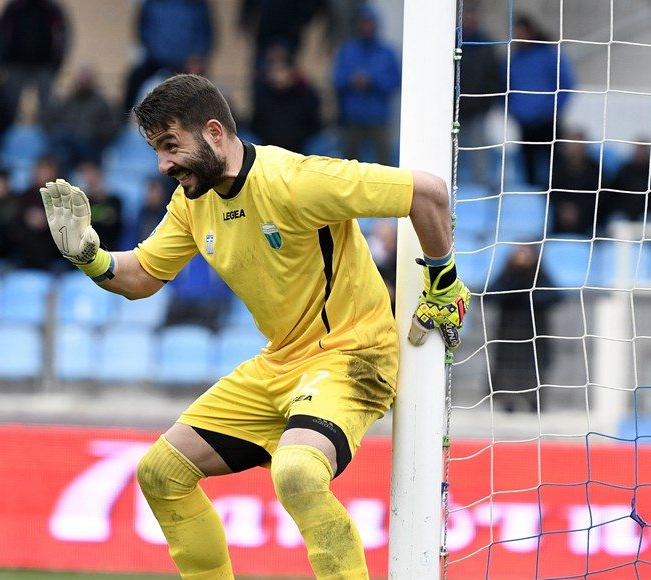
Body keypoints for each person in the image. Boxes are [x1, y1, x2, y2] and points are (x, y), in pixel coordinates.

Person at [39, 74, 470, 578]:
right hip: (281, 361)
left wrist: (444, 283)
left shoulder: (296, 180)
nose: (163, 165)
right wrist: (89, 256)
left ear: (214, 132)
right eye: (157, 151)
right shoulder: (192, 203)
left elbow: (428, 193)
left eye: (171, 145)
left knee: (297, 472)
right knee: (161, 473)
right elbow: (142, 276)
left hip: (353, 354)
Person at [485, 244, 561, 412]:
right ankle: (507, 402)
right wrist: (514, 285)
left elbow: (555, 296)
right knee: (507, 369)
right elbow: (489, 296)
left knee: (535, 368)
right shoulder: (506, 275)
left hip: (535, 333)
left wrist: (530, 293)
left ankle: (535, 402)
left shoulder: (540, 276)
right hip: (508, 334)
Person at [507, 14, 575, 189]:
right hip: (525, 123)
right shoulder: (514, 60)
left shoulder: (549, 55)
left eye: (522, 32)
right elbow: (505, 88)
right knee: (528, 168)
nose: (519, 37)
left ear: (531, 32)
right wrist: (514, 111)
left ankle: (557, 196)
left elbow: (566, 84)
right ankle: (531, 201)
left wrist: (552, 109)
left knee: (555, 166)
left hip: (548, 121)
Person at [331, 4, 400, 165]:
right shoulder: (348, 50)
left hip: (378, 118)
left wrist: (372, 81)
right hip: (352, 117)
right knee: (349, 163)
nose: (366, 26)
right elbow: (336, 79)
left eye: (369, 22)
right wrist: (352, 80)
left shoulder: (386, 52)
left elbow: (395, 81)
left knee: (384, 162)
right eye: (363, 22)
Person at [122, 0, 213, 111]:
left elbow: (205, 34)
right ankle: (126, 116)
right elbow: (144, 31)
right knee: (135, 82)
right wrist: (156, 54)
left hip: (188, 64)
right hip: (156, 62)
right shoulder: (152, 4)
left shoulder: (196, 4)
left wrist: (197, 56)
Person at [0, 0, 69, 122]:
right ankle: (10, 131)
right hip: (16, 64)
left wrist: (57, 61)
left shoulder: (52, 8)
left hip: (44, 65)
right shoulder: (14, 7)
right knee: (10, 105)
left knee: (46, 107)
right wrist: (3, 60)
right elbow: (1, 34)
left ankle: (46, 131)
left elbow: (62, 35)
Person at [458, 4, 503, 190]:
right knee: (452, 149)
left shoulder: (486, 44)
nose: (469, 20)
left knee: (478, 149)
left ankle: (480, 186)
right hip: (455, 109)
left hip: (478, 109)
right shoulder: (452, 42)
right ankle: (448, 182)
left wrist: (487, 102)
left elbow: (494, 76)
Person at [43, 64, 118, 173]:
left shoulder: (101, 104)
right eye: (81, 79)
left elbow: (112, 127)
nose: (83, 83)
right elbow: (50, 120)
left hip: (89, 147)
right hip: (67, 146)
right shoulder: (67, 101)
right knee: (59, 143)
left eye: (86, 79)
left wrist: (94, 134)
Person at [249, 44, 322, 153]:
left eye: (281, 70)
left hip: (302, 150)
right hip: (268, 149)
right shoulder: (262, 93)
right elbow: (257, 124)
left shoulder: (305, 93)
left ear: (291, 72)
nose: (277, 75)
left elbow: (314, 124)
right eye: (273, 71)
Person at [601, 141, 651, 226]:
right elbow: (611, 193)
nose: (641, 154)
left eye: (644, 151)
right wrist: (618, 210)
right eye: (639, 150)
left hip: (650, 216)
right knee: (617, 220)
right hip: (625, 215)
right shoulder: (624, 171)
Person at [548, 130, 600, 237]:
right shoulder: (558, 167)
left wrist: (578, 209)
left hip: (586, 218)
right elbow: (552, 191)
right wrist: (564, 208)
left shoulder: (595, 169)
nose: (576, 148)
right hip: (560, 215)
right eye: (573, 145)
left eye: (580, 145)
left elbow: (599, 196)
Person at [76, 161, 123, 251]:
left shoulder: (115, 201)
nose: (89, 178)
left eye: (92, 173)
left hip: (110, 252)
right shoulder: (81, 203)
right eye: (85, 174)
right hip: (85, 251)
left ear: (100, 174)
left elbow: (111, 221)